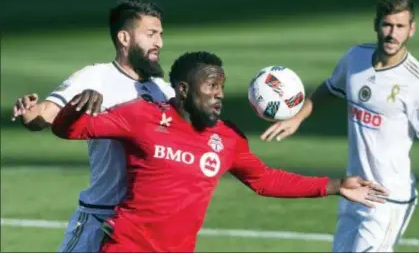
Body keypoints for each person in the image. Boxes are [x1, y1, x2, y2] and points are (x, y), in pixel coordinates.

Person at [51, 51, 389, 252]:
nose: (219, 95)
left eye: (222, 87)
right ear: (182, 89)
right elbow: (69, 130)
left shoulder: (227, 138)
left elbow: (263, 179)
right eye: (211, 86)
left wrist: (335, 186)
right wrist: (76, 109)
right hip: (125, 246)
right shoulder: (140, 116)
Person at [261, 0, 419, 252]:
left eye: (400, 26)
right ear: (376, 25)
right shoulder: (356, 58)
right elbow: (330, 88)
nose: (392, 34)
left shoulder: (418, 83)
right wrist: (298, 118)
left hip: (388, 199)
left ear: (411, 29)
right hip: (353, 190)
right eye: (387, 24)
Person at [11, 0, 175, 252]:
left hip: (145, 223)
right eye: (151, 34)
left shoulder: (164, 91)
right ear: (124, 37)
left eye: (161, 35)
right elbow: (42, 116)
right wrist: (29, 112)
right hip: (99, 218)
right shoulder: (95, 77)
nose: (159, 43)